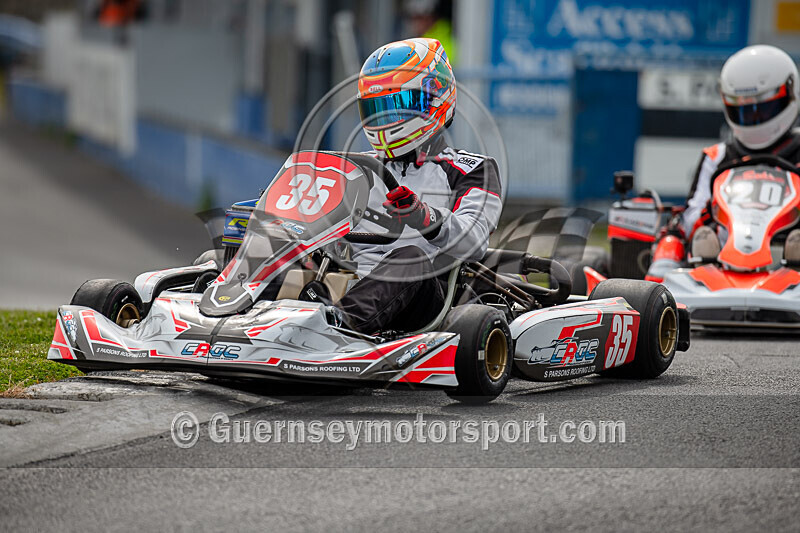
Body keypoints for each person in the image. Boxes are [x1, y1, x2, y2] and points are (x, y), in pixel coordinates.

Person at [332, 38, 502, 333]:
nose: (386, 118)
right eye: (377, 107)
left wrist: (428, 219)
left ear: (435, 98)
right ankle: (238, 312)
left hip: (428, 298)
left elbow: (474, 241)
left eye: (397, 105)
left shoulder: (473, 169)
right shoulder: (353, 168)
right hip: (350, 283)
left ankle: (334, 330)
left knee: (411, 254)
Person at [646, 44, 800, 282]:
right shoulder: (717, 156)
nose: (753, 117)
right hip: (719, 261)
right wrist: (712, 211)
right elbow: (691, 216)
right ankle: (659, 292)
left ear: (789, 94)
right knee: (676, 239)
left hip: (789, 259)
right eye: (743, 109)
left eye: (762, 107)